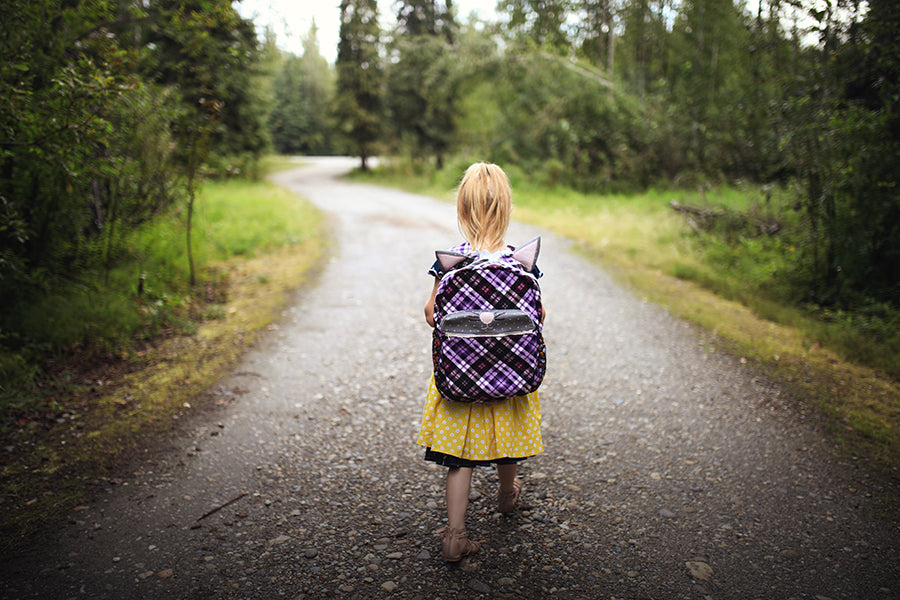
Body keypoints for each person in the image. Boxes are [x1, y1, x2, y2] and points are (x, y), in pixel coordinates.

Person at [418, 162, 545, 562]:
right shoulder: (520, 262)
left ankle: (455, 535)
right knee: (507, 444)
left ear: (462, 210)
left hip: (461, 376)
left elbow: (430, 312)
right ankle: (507, 495)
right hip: (510, 376)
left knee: (460, 459)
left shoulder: (450, 262)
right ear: (506, 209)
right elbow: (538, 317)